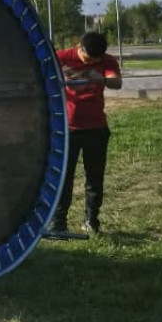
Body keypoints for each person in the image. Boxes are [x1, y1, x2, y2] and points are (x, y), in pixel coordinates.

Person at [51, 31, 122, 234]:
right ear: (79, 47)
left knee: (94, 178)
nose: (90, 62)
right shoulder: (62, 57)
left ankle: (91, 221)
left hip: (97, 130)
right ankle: (58, 223)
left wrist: (100, 77)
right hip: (68, 130)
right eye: (87, 59)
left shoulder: (106, 60)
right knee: (64, 178)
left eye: (94, 61)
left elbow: (117, 82)